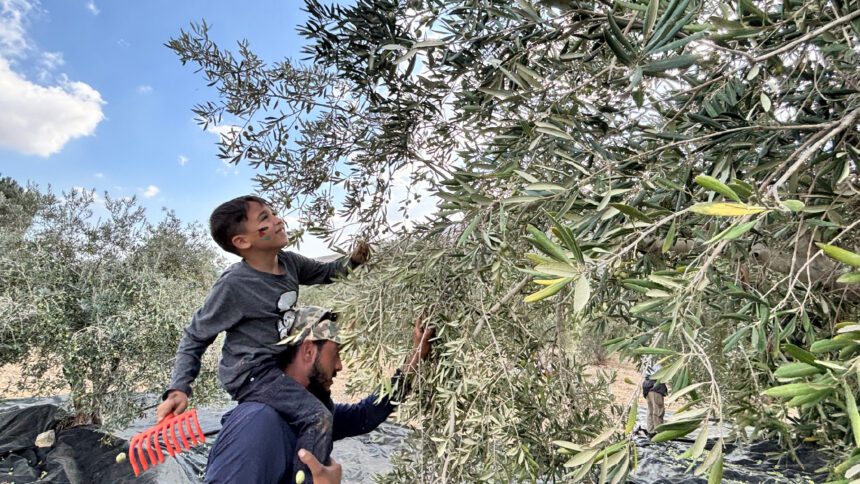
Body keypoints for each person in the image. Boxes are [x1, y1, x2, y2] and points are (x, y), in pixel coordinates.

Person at [155, 195, 370, 473]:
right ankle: (308, 478)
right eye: (265, 218)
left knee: (322, 405)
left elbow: (326, 272)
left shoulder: (289, 262)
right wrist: (179, 388)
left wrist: (353, 261)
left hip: (276, 365)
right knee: (316, 416)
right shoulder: (234, 285)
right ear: (243, 242)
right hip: (251, 372)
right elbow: (195, 336)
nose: (278, 220)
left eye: (273, 213)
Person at [203, 307, 434, 484]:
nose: (340, 365)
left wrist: (416, 357)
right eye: (335, 354)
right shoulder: (258, 422)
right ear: (308, 351)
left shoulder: (310, 413)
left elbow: (365, 415)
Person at [642, 358, 668, 435]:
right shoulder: (654, 358)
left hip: (647, 386)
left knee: (651, 410)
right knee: (658, 410)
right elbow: (660, 373)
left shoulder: (646, 357)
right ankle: (659, 433)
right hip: (655, 386)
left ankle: (651, 431)